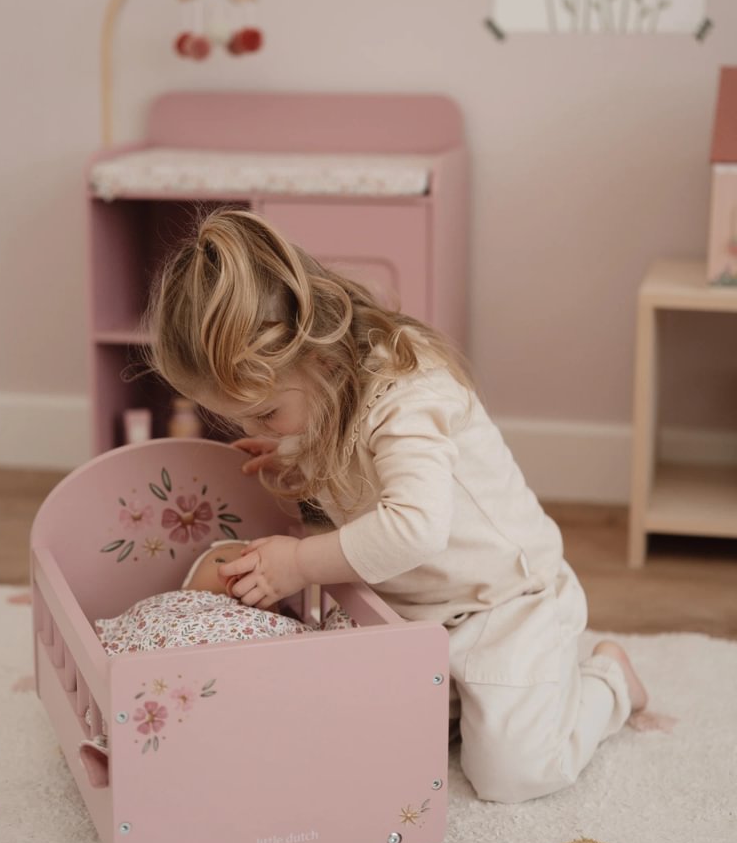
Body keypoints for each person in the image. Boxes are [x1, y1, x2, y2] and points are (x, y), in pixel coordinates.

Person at [147, 208, 647, 804]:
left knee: (512, 774)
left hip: (505, 607)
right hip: (414, 613)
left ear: (324, 361)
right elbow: (355, 459)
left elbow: (413, 527)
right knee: (357, 742)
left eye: (266, 413)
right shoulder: (325, 384)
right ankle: (473, 701)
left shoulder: (410, 395)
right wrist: (295, 446)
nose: (259, 427)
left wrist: (300, 564)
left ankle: (611, 681)